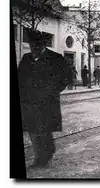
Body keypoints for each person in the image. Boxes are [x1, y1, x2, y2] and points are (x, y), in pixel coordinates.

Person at [18, 29, 72, 168]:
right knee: (33, 130)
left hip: (47, 101)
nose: (33, 48)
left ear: (42, 45)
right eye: (31, 45)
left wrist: (52, 91)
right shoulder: (26, 58)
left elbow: (66, 77)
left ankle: (44, 156)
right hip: (29, 102)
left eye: (36, 45)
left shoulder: (56, 58)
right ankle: (40, 156)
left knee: (43, 129)